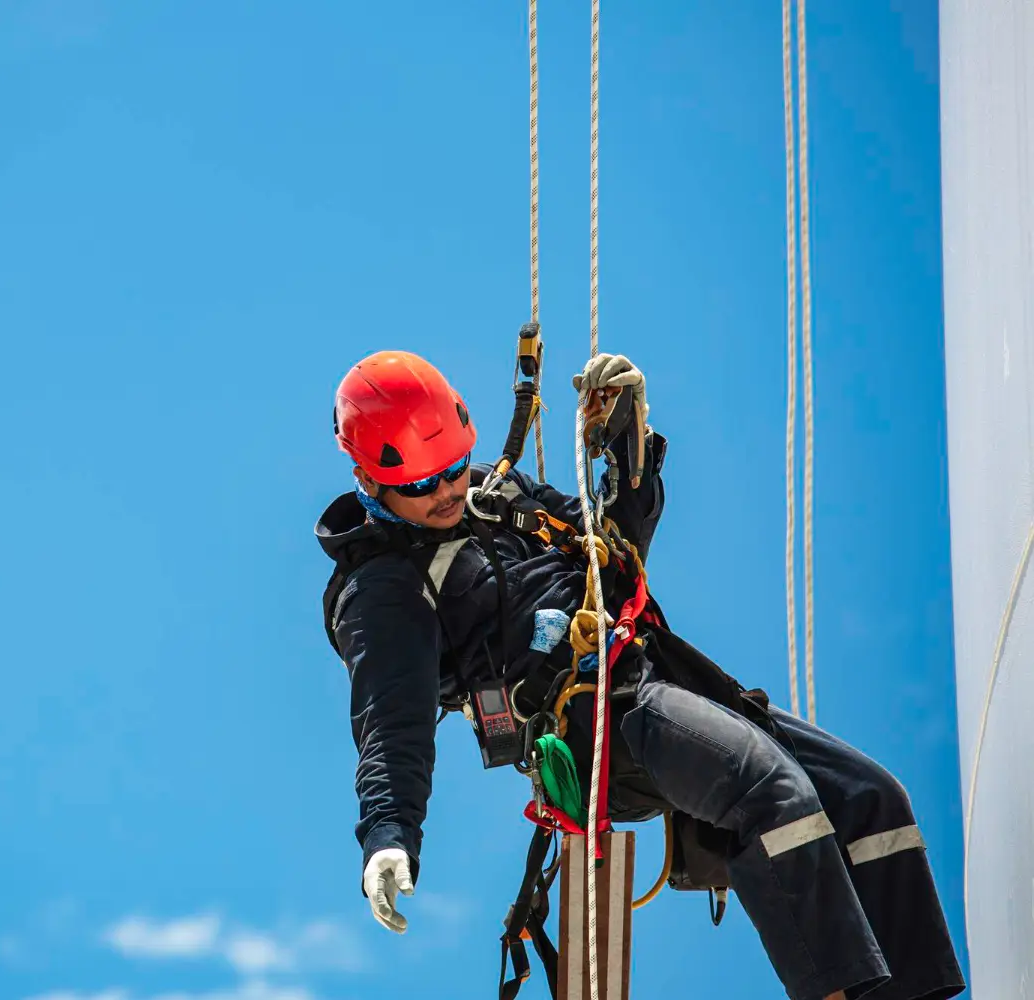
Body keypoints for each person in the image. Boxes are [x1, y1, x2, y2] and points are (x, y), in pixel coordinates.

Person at [315, 349, 965, 1000]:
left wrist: (628, 448)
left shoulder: (497, 496)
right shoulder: (382, 590)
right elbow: (390, 725)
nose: (450, 491)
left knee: (871, 798)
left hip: (652, 673)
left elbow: (614, 547)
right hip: (597, 726)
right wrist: (388, 835)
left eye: (455, 468)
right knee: (770, 791)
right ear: (368, 481)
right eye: (425, 485)